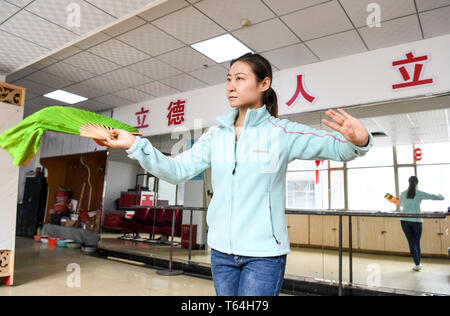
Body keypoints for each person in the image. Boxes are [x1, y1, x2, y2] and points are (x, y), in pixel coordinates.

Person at [101, 53, 374, 296]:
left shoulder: (282, 133)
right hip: (221, 251)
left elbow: (338, 149)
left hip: (264, 255)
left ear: (263, 84)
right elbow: (176, 170)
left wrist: (358, 141)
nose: (231, 86)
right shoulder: (215, 135)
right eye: (229, 79)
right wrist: (135, 144)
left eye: (240, 78)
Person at [398, 176, 445, 272]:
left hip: (404, 220)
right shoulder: (419, 193)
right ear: (417, 183)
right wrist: (441, 196)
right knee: (416, 242)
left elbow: (401, 205)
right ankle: (418, 263)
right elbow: (433, 197)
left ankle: (417, 264)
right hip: (416, 221)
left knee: (411, 242)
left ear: (408, 182)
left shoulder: (403, 193)